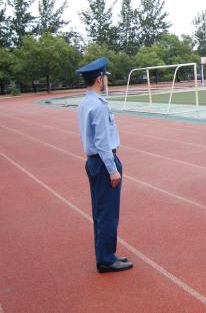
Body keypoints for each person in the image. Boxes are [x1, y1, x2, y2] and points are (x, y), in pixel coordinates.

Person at [76, 57, 132, 273]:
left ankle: (105, 253)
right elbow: (102, 142)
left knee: (100, 212)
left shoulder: (84, 103)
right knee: (108, 212)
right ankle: (106, 259)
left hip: (93, 161)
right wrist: (112, 169)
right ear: (99, 79)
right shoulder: (98, 106)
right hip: (103, 161)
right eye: (105, 78)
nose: (105, 81)